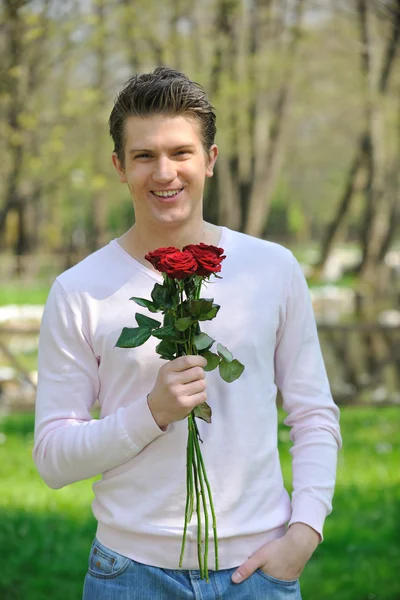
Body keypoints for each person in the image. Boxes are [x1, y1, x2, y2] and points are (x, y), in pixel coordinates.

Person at [33, 67, 342, 600]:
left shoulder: (272, 268)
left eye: (180, 152)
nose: (165, 172)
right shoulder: (78, 289)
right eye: (144, 156)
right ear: (119, 167)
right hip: (130, 575)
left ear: (210, 161)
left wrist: (305, 531)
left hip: (260, 573)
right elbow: (53, 457)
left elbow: (313, 413)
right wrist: (149, 414)